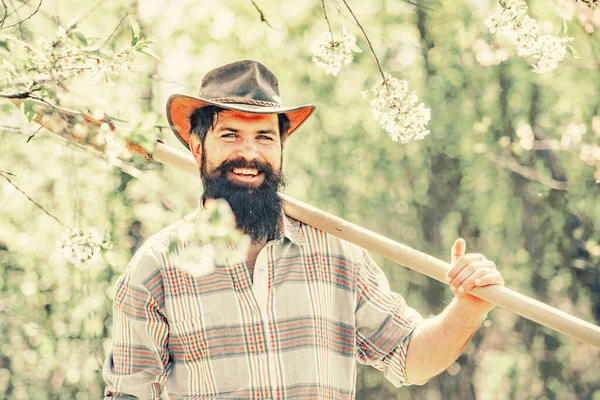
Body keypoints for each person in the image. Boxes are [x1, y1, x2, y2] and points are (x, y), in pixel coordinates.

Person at [103, 60, 504, 399]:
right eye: (230, 135)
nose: (249, 153)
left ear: (281, 149)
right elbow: (128, 391)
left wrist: (468, 308)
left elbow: (412, 358)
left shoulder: (338, 251)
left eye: (264, 137)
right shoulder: (156, 266)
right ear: (196, 148)